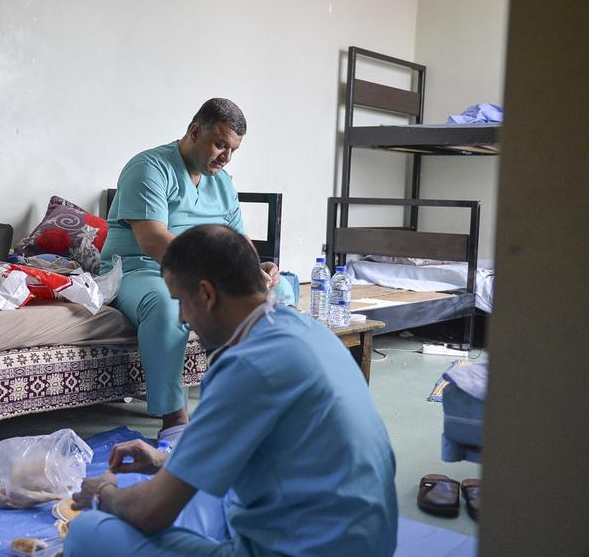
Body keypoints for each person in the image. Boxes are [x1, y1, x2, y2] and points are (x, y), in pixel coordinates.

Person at [68, 225, 398, 557]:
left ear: (207, 294)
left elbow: (150, 513)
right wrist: (164, 461)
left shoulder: (246, 366)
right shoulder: (310, 331)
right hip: (372, 542)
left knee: (88, 531)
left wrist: (104, 493)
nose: (182, 317)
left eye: (181, 302)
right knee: (204, 493)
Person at [100, 99, 279, 446]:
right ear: (195, 131)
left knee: (274, 295)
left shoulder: (222, 182)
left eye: (233, 149)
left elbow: (239, 242)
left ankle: (247, 406)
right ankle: (173, 418)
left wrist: (254, 268)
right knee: (167, 306)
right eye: (220, 144)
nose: (226, 156)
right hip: (143, 269)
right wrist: (216, 271)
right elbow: (153, 241)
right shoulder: (149, 167)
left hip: (201, 272)